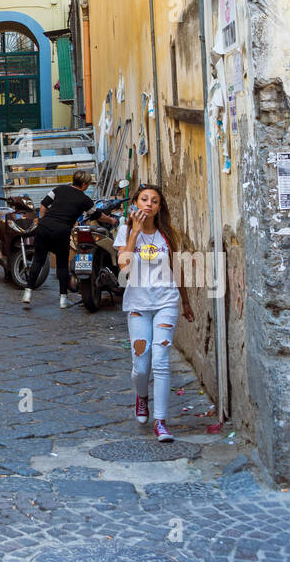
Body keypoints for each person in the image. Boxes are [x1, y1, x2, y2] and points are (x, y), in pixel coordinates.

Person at [113, 184, 195, 443]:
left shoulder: (168, 234)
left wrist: (186, 301)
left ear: (160, 207)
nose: (149, 204)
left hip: (165, 302)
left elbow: (177, 270)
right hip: (138, 304)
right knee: (141, 365)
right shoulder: (125, 231)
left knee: (160, 361)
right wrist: (135, 233)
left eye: (155, 201)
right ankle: (142, 397)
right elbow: (124, 268)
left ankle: (161, 422)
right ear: (136, 203)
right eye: (144, 199)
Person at [23, 170, 115, 309]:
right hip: (62, 232)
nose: (88, 187)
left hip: (44, 228)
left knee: (38, 260)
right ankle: (63, 299)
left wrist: (42, 220)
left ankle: (28, 293)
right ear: (84, 184)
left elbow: (43, 205)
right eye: (88, 185)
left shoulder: (59, 189)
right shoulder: (85, 200)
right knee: (61, 265)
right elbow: (97, 215)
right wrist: (111, 220)